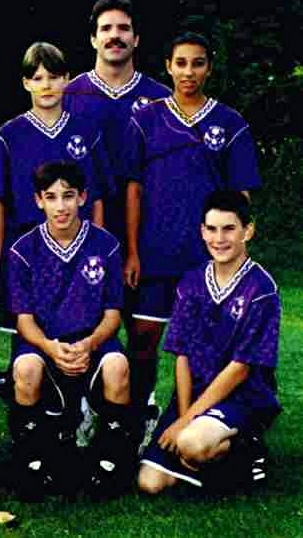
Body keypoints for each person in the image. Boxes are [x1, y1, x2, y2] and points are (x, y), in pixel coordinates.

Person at [123, 32, 261, 447]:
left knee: (213, 347)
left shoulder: (230, 123)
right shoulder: (145, 119)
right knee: (143, 340)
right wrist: (133, 250)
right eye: (180, 63)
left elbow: (240, 195)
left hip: (207, 258)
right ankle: (139, 417)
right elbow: (133, 189)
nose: (188, 72)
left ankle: (218, 423)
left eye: (197, 63)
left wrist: (234, 254)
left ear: (209, 68)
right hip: (155, 251)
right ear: (167, 66)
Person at [63, 0, 170, 435]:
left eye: (123, 28)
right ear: (92, 38)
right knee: (88, 327)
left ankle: (139, 413)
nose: (115, 36)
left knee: (143, 335)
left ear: (137, 38)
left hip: (147, 235)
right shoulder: (69, 94)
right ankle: (88, 409)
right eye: (106, 28)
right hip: (83, 235)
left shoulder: (161, 99)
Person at [6, 161, 134, 501]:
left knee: (118, 367)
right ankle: (31, 458)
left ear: (82, 197)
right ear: (38, 201)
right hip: (43, 342)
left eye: (68, 196)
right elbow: (24, 320)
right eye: (51, 197)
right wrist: (51, 348)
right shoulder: (23, 250)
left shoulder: (106, 245)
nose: (60, 206)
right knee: (26, 368)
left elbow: (113, 314)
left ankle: (110, 459)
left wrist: (89, 344)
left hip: (92, 339)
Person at [138, 191, 280, 494]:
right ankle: (215, 458)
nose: (219, 238)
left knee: (190, 443)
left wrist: (187, 423)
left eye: (229, 229)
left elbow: (241, 368)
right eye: (212, 229)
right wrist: (184, 413)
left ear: (248, 231)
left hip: (242, 396)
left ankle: (247, 447)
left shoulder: (262, 289)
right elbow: (182, 354)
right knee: (150, 483)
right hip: (195, 394)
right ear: (202, 231)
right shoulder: (190, 282)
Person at [0, 41, 106, 334]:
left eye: (54, 77)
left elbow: (97, 198)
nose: (46, 85)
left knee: (79, 328)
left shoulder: (86, 131)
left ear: (66, 79)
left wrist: (99, 249)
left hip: (77, 247)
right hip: (26, 249)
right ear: (26, 83)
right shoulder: (9, 135)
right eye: (38, 78)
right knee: (27, 333)